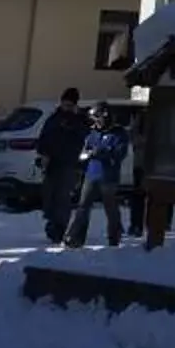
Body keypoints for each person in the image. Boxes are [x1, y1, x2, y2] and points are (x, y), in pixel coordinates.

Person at [65, 104, 131, 249]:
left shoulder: (119, 133)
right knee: (83, 206)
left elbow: (119, 154)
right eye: (93, 119)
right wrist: (82, 160)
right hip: (91, 174)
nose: (95, 122)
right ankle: (75, 237)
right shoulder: (93, 133)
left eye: (97, 119)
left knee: (110, 207)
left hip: (109, 177)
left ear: (105, 117)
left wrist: (99, 152)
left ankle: (115, 236)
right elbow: (85, 149)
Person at [36, 88, 91, 243]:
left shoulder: (80, 119)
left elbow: (86, 136)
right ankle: (52, 223)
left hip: (70, 163)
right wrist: (42, 155)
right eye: (64, 103)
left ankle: (59, 228)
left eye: (69, 104)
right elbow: (44, 137)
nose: (65, 107)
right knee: (49, 195)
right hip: (52, 162)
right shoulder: (54, 118)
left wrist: (74, 123)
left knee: (63, 197)